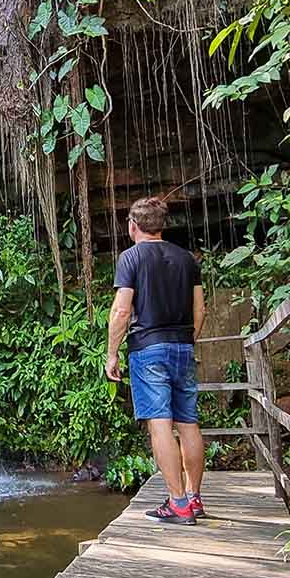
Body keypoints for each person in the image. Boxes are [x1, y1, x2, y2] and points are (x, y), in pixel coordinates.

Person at [105, 197, 206, 525]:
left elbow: (121, 310)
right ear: (162, 226)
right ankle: (193, 498)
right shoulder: (187, 259)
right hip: (182, 347)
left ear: (133, 226)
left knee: (160, 423)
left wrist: (112, 353)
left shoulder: (130, 257)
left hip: (148, 349)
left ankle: (177, 504)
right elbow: (200, 310)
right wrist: (186, 343)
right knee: (188, 422)